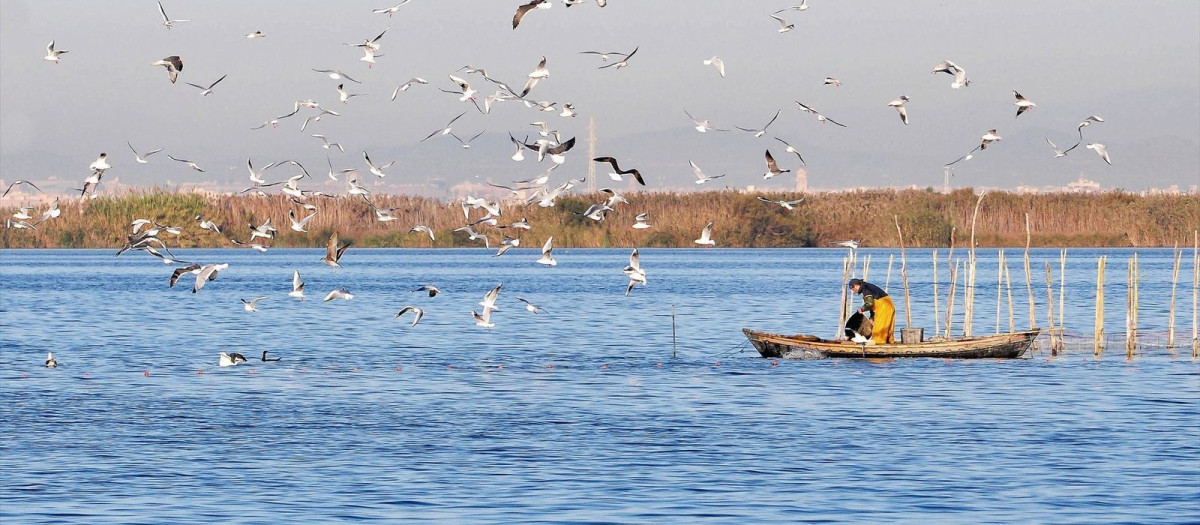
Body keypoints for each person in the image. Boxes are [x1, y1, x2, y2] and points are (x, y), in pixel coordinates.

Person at [848, 278, 895, 345]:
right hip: (889, 305)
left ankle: (878, 344)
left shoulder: (866, 290)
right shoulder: (867, 287)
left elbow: (870, 303)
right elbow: (873, 305)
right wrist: (872, 317)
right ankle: (890, 343)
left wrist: (862, 309)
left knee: (879, 328)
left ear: (856, 285)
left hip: (883, 307)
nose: (854, 291)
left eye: (853, 289)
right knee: (888, 327)